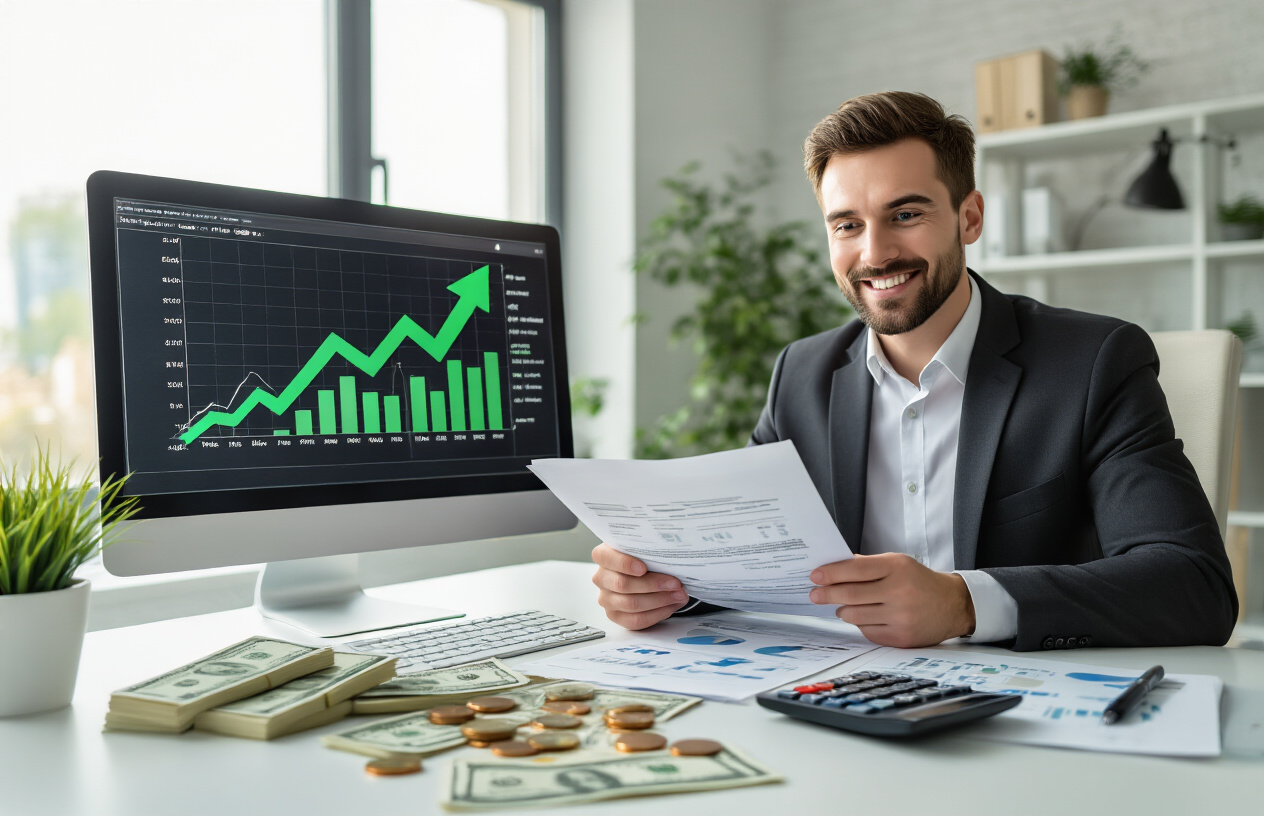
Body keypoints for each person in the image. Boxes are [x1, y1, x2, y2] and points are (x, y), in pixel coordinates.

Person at [591, 91, 1238, 652]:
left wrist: (962, 603)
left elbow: (1193, 585)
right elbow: (750, 564)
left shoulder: (1095, 362)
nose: (874, 253)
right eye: (847, 224)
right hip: (845, 697)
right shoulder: (802, 375)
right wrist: (664, 590)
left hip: (1027, 710)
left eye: (906, 214)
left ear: (970, 217)